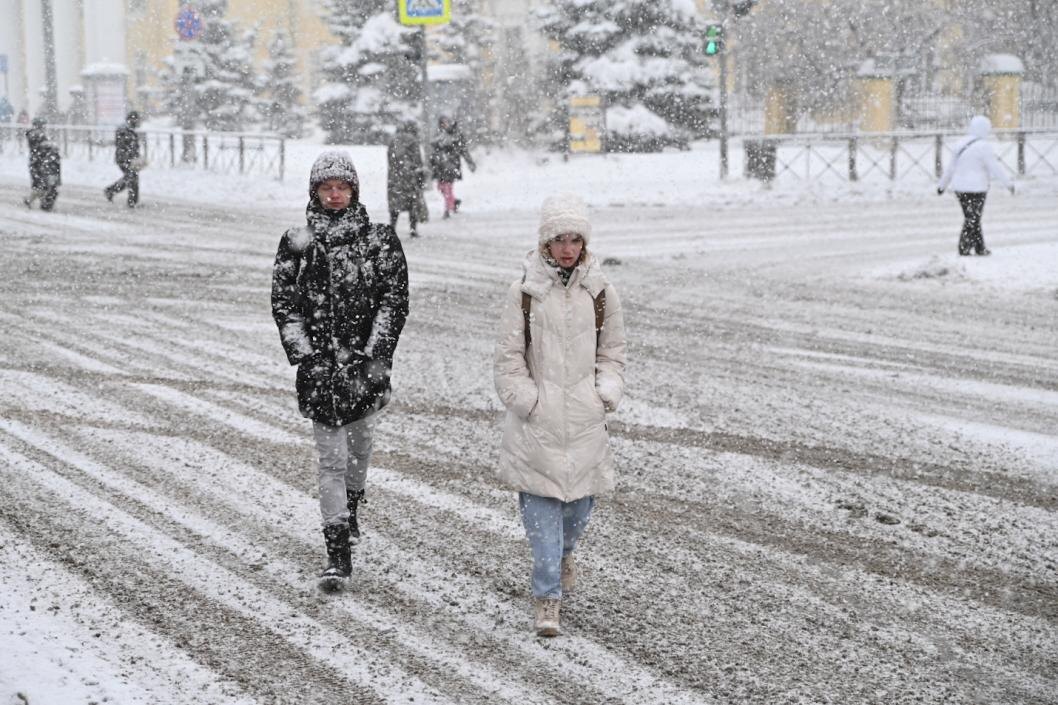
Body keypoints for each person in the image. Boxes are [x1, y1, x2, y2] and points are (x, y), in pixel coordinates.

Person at [271, 150, 409, 591]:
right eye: (326, 187)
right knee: (330, 458)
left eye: (341, 186)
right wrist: (307, 356)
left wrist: (374, 354)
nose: (334, 194)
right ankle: (336, 550)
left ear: (353, 190)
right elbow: (284, 305)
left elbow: (394, 301)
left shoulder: (379, 241)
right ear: (314, 192)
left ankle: (352, 504)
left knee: (361, 445)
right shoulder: (297, 241)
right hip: (318, 370)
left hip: (364, 366)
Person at [493, 193, 626, 637]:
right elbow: (508, 358)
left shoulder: (601, 293)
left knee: (578, 513)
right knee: (542, 520)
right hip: (537, 425)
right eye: (558, 240)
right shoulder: (524, 295)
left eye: (575, 240)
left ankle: (566, 556)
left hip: (586, 423)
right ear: (544, 243)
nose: (567, 248)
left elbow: (613, 352)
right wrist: (528, 401)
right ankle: (547, 598)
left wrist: (604, 392)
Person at [936, 115, 1014, 256]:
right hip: (977, 189)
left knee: (972, 217)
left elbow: (950, 168)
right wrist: (1008, 184)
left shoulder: (960, 144)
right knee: (973, 218)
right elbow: (995, 167)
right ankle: (964, 247)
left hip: (960, 188)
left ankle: (979, 247)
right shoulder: (984, 146)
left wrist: (942, 185)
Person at [429, 115, 476, 219]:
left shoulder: (456, 135)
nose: (444, 125)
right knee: (441, 187)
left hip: (451, 165)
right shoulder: (439, 134)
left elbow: (464, 150)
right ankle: (453, 202)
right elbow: (433, 146)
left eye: (446, 122)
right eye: (442, 123)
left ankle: (447, 210)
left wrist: (470, 163)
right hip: (439, 165)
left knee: (447, 188)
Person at [387, 120, 427, 238]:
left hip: (394, 177)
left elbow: (390, 158)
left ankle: (392, 228)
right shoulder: (413, 140)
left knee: (395, 203)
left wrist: (395, 171)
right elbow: (417, 160)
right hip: (410, 176)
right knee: (412, 203)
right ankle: (413, 229)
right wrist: (419, 174)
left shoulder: (392, 140)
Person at [104, 111, 142, 207]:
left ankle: (111, 191)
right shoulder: (124, 130)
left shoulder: (130, 130)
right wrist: (130, 154)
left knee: (131, 178)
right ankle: (132, 201)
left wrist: (137, 156)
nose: (137, 122)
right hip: (124, 159)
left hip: (129, 159)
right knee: (132, 178)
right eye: (135, 120)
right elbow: (122, 145)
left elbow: (133, 146)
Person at [23, 117, 61, 211]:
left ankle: (37, 201)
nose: (44, 127)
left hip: (39, 161)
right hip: (39, 162)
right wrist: (50, 146)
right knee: (42, 184)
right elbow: (42, 147)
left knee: (40, 184)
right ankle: (43, 202)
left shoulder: (34, 134)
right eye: (43, 125)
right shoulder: (37, 134)